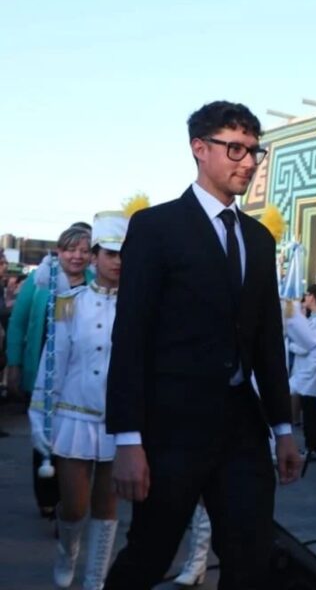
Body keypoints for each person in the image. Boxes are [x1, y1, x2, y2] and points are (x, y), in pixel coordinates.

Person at [103, 101, 301, 589]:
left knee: (251, 555)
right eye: (235, 149)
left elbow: (267, 341)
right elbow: (130, 336)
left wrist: (283, 427)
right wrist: (127, 438)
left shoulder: (258, 239)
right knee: (149, 555)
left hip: (241, 426)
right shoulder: (156, 228)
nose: (248, 162)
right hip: (170, 427)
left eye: (254, 151)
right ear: (199, 148)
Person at [28, 212, 126, 589]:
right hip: (74, 418)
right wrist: (42, 417)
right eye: (110, 254)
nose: (117, 262)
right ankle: (67, 551)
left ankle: (95, 580)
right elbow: (52, 366)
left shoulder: (137, 307)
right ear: (95, 257)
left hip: (117, 422)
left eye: (123, 255)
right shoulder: (69, 303)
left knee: (107, 505)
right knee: (74, 505)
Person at [7, 225, 93, 518]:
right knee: (43, 432)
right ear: (59, 252)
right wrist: (14, 363)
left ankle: (68, 498)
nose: (77, 256)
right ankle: (46, 496)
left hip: (78, 377)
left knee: (72, 438)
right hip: (41, 371)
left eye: (84, 250)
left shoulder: (95, 283)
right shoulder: (40, 279)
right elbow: (18, 323)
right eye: (70, 250)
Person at [287, 284, 316, 460]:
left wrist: (290, 344)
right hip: (310, 372)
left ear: (313, 297)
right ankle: (311, 446)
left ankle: (312, 448)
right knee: (309, 410)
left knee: (310, 412)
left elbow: (307, 346)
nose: (304, 298)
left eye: (306, 294)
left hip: (311, 372)